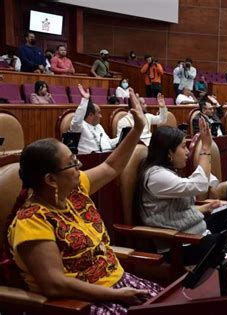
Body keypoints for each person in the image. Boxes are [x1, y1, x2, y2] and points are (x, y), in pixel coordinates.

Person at [5, 91, 163, 314]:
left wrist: (137, 129)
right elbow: (55, 285)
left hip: (120, 285)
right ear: (50, 180)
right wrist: (117, 294)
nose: (79, 164)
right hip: (83, 302)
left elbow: (111, 167)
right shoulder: (32, 221)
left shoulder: (74, 190)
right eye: (72, 163)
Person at [137, 121, 227, 265]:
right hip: (179, 244)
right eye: (183, 147)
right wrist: (205, 148)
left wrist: (205, 208)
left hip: (195, 230)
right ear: (169, 152)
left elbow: (175, 210)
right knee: (224, 243)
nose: (187, 151)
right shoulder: (155, 176)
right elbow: (200, 185)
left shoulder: (168, 170)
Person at [70, 84, 118, 154]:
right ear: (90, 115)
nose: (101, 116)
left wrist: (123, 138)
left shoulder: (98, 126)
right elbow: (77, 121)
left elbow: (109, 143)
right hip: (89, 160)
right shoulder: (80, 127)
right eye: (99, 113)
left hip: (105, 157)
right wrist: (85, 100)